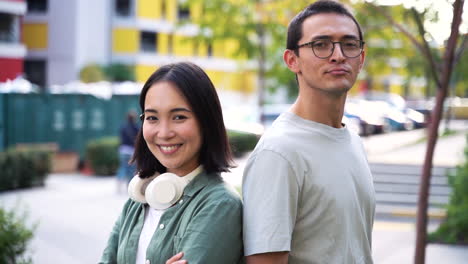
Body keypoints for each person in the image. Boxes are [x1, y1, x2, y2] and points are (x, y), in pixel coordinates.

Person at [242, 1, 376, 263]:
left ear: (361, 59)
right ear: (292, 60)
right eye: (321, 45)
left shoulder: (353, 141)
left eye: (349, 44)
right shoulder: (279, 153)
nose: (337, 55)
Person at [100, 62, 244, 264]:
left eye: (178, 117)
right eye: (152, 117)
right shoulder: (138, 199)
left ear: (206, 121)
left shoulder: (220, 205)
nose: (164, 133)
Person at [116, 111, 139, 191]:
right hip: (132, 151)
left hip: (123, 150)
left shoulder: (123, 127)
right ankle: (128, 186)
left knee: (123, 167)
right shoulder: (136, 127)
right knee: (131, 169)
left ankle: (119, 182)